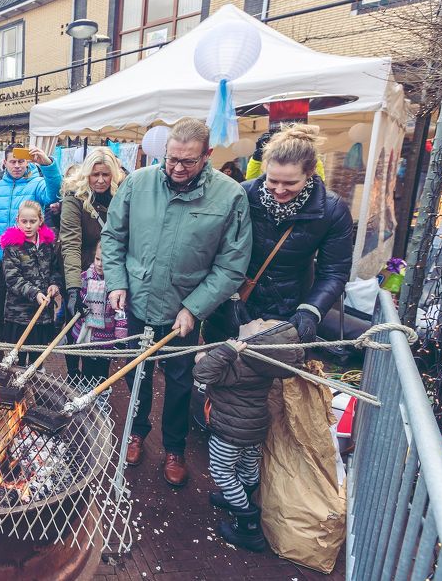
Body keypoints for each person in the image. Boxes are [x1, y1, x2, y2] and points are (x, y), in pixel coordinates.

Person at [101, 117, 252, 483]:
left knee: (181, 380)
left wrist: (194, 307)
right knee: (137, 370)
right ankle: (137, 431)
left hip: (186, 305)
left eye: (187, 161)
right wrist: (117, 283)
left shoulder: (229, 195)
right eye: (171, 159)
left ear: (207, 156)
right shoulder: (138, 183)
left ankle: (175, 447)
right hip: (137, 298)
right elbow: (113, 238)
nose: (177, 168)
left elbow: (232, 264)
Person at [193, 320, 302, 551]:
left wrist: (219, 352)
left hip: (228, 434)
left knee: (222, 472)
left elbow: (202, 373)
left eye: (261, 325)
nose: (257, 320)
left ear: (257, 341)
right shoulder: (264, 364)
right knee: (248, 468)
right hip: (254, 430)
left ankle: (247, 524)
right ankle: (240, 497)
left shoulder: (238, 364)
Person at [237, 124, 353, 341]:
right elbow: (222, 252)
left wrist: (310, 310)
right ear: (264, 169)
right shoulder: (244, 194)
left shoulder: (332, 209)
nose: (280, 190)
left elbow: (334, 271)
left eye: (290, 183)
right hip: (236, 305)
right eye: (273, 181)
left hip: (288, 309)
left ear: (309, 174)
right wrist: (230, 298)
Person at [0, 145, 62, 341]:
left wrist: (48, 165)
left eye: (21, 161)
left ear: (27, 162)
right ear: (5, 163)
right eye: (13, 161)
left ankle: (26, 348)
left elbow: (55, 193)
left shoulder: (37, 184)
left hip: (28, 259)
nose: (17, 166)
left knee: (26, 306)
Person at [59, 148, 124, 319]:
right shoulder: (74, 197)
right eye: (95, 175)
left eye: (106, 174)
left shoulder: (123, 194)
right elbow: (71, 243)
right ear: (87, 173)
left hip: (114, 271)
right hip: (83, 272)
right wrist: (74, 289)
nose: (101, 180)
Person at [0, 201, 63, 368]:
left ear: (40, 220)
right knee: (17, 360)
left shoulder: (48, 245)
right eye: (24, 221)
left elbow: (55, 269)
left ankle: (36, 390)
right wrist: (34, 293)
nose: (28, 226)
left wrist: (55, 284)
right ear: (17, 220)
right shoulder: (12, 247)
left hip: (43, 315)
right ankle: (18, 392)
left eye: (32, 221)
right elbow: (12, 279)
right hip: (18, 314)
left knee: (38, 358)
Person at [67, 245, 125, 388]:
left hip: (106, 337)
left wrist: (120, 338)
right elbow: (79, 301)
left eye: (104, 261)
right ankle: (85, 398)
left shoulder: (117, 284)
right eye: (97, 259)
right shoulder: (85, 277)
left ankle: (101, 398)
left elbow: (122, 312)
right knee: (87, 368)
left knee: (102, 372)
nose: (99, 264)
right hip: (88, 335)